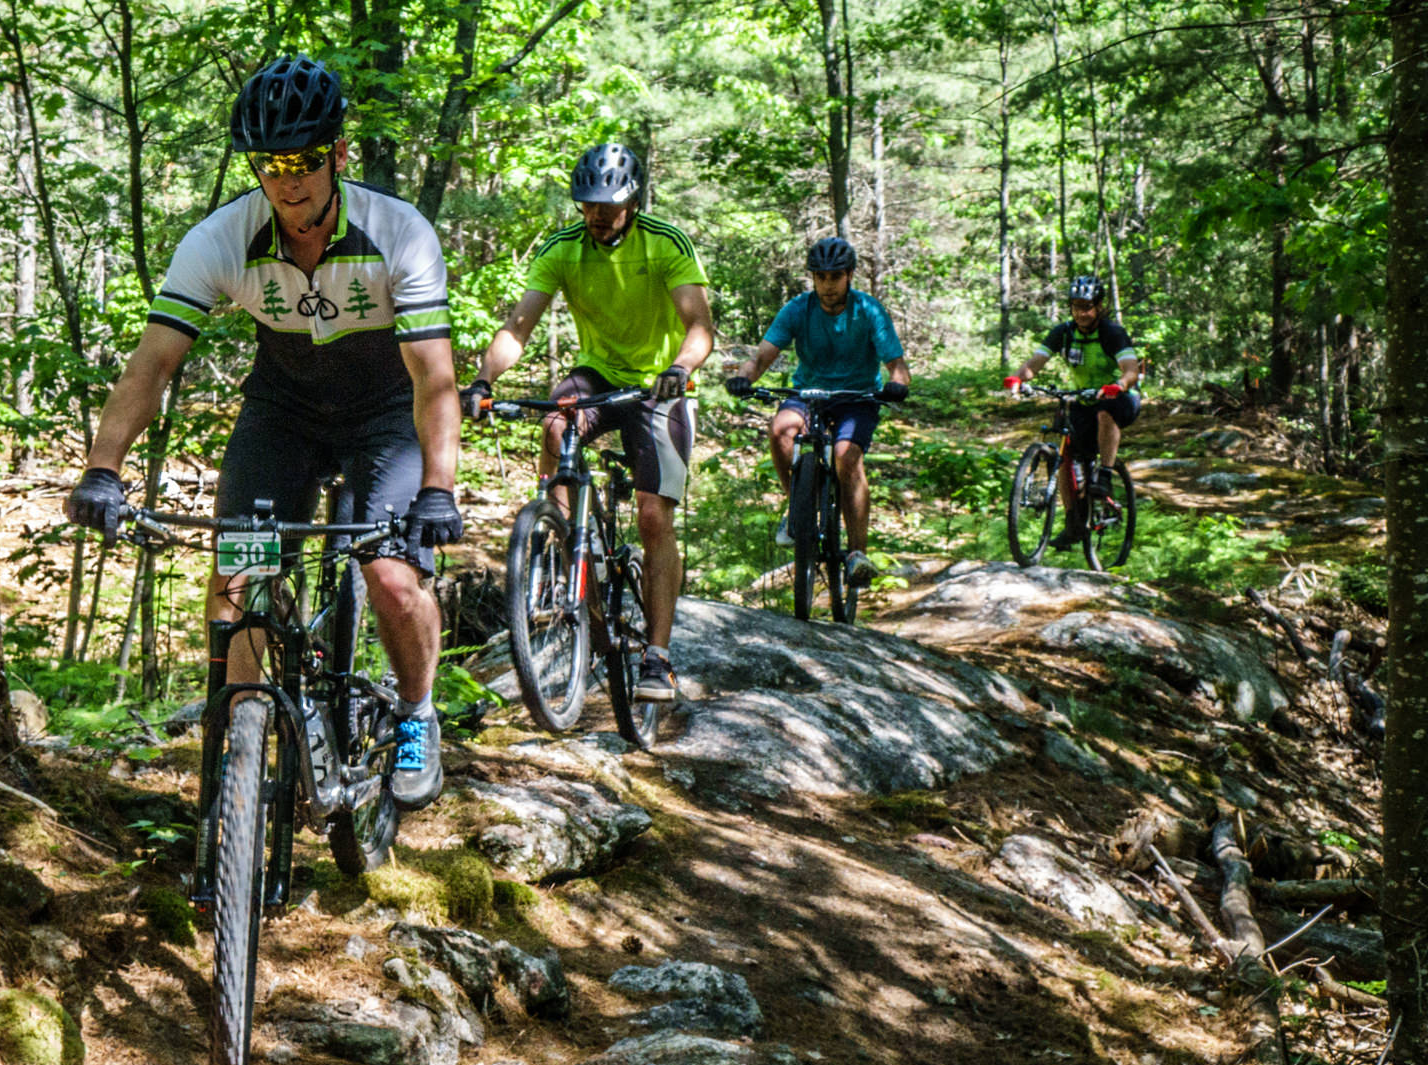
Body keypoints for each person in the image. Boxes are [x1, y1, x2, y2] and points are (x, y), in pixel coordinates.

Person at [64, 54, 460, 810]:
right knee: (239, 579)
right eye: (272, 163)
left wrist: (438, 488)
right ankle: (234, 762)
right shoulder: (220, 240)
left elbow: (434, 379)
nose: (290, 180)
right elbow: (152, 364)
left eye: (307, 159)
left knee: (389, 573)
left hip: (385, 419)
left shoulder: (398, 232)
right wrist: (103, 469)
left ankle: (416, 713)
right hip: (283, 415)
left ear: (339, 155)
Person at [460, 143, 713, 703]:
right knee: (555, 420)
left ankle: (658, 656)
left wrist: (681, 367)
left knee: (653, 517)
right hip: (599, 376)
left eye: (611, 204)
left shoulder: (664, 244)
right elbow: (517, 329)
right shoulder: (563, 249)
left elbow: (699, 325)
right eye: (588, 203)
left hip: (658, 385)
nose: (598, 214)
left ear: (634, 201)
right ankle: (561, 537)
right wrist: (483, 381)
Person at [724, 237, 910, 589]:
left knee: (846, 456)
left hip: (857, 397)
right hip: (807, 394)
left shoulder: (868, 310)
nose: (827, 285)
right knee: (780, 429)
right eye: (820, 277)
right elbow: (763, 355)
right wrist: (744, 378)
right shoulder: (798, 308)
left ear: (849, 275)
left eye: (835, 276)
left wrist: (898, 384)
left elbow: (896, 363)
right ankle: (798, 510)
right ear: (812, 277)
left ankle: (857, 554)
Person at [1003, 275, 1142, 550]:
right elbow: (1036, 362)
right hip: (1083, 399)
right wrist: (1019, 379)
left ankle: (1105, 473)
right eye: (1077, 306)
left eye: (1088, 307)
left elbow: (1131, 370)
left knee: (1105, 413)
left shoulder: (1112, 333)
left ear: (1099, 306)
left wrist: (1118, 385)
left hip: (1120, 397)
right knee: (1066, 456)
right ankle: (1073, 523)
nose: (1082, 313)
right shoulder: (1064, 333)